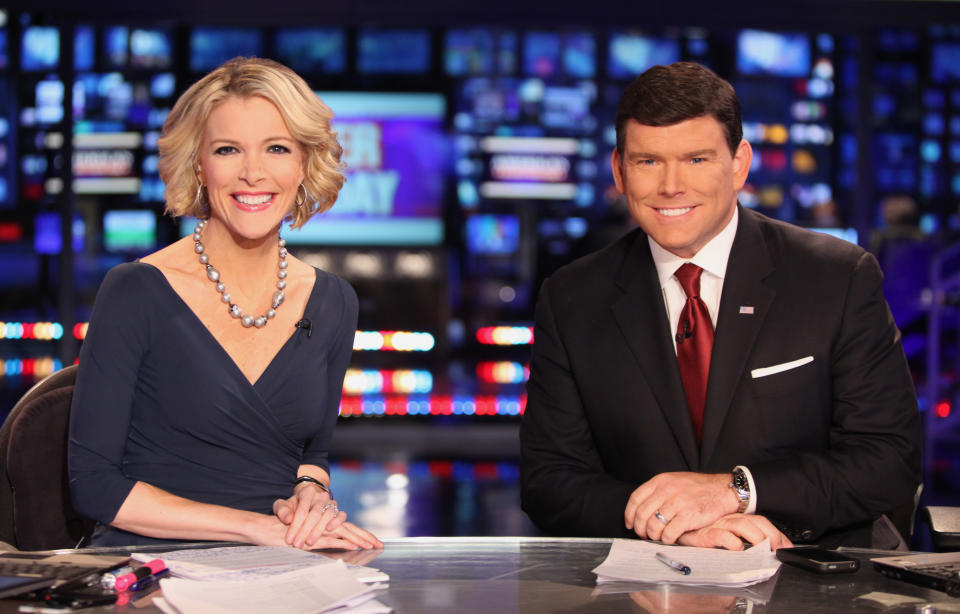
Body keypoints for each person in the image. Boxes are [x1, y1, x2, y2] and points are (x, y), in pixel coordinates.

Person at [519, 62, 922, 549]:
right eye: (648, 161)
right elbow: (550, 483)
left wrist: (734, 492)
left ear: (739, 164)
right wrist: (678, 527)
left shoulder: (837, 277)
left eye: (695, 160)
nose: (671, 186)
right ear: (619, 171)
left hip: (808, 569)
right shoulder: (572, 297)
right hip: (647, 583)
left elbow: (888, 459)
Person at [68, 57, 381, 550]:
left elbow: (313, 451)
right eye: (228, 149)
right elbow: (93, 484)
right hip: (150, 569)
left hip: (281, 568)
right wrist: (256, 529)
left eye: (277, 148)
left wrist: (311, 492)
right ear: (199, 162)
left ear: (303, 162)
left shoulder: (333, 300)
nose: (253, 173)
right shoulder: (136, 290)